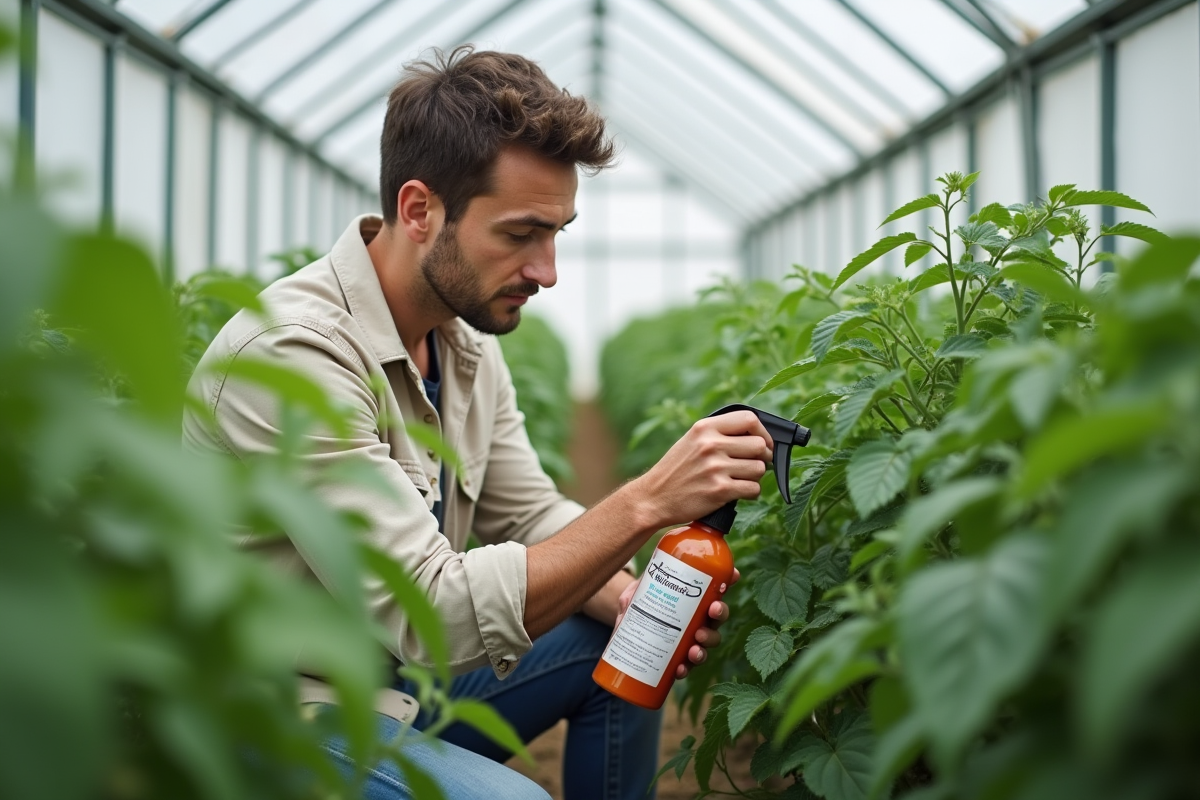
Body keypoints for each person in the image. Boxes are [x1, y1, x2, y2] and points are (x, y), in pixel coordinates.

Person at [183, 46, 773, 800]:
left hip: (399, 687)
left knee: (621, 639)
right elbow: (432, 611)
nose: (547, 270)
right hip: (272, 711)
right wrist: (648, 502)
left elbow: (528, 513)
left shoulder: (461, 340)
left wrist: (630, 598)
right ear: (420, 210)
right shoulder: (294, 354)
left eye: (557, 233)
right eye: (521, 234)